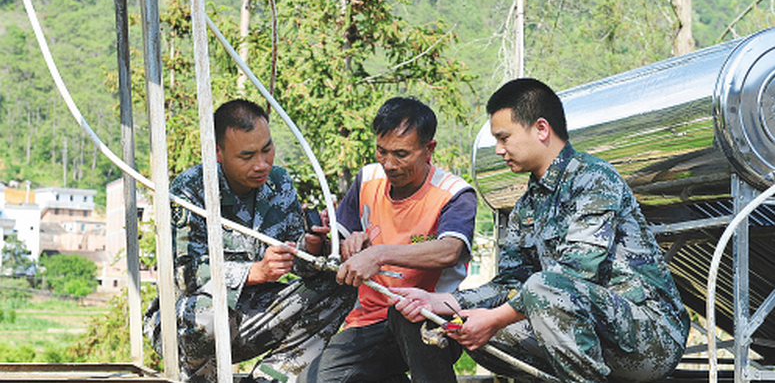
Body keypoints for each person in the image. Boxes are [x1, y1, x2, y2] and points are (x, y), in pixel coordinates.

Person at [392, 78, 690, 383]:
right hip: (587, 330)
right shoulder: (527, 206)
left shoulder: (594, 178)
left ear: (541, 129)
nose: (498, 150)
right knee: (471, 328)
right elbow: (509, 282)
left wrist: (494, 318)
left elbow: (574, 274)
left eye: (504, 137)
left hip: (649, 336)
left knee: (533, 293)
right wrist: (445, 302)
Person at [144, 99, 356, 383]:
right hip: (188, 325)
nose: (262, 164)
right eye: (247, 156)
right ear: (217, 153)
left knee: (338, 287)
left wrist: (311, 246)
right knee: (208, 316)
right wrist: (255, 272)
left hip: (254, 318)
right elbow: (184, 275)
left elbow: (299, 264)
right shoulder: (190, 191)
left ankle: (271, 377)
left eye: (267, 150)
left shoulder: (279, 183)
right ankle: (199, 378)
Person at [298, 97, 478, 383]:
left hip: (433, 317)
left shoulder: (454, 193)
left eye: (401, 154)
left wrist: (379, 254)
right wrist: (338, 242)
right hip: (368, 322)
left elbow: (451, 250)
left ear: (428, 149)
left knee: (410, 317)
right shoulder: (367, 179)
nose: (389, 164)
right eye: (381, 151)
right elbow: (340, 245)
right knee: (317, 379)